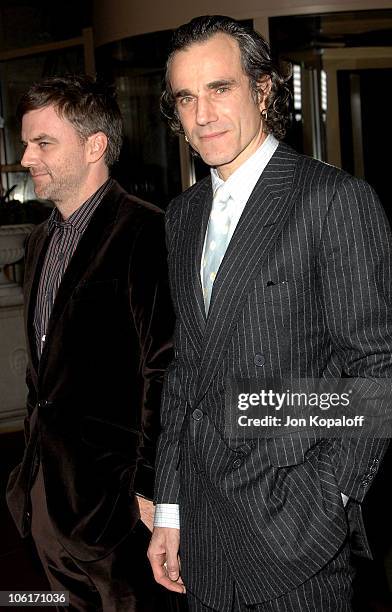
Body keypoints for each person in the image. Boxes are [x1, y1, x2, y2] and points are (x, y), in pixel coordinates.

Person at [148, 15, 392, 612]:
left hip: (294, 534)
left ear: (263, 90)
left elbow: (383, 373)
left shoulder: (333, 200)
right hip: (204, 526)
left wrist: (330, 497)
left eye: (220, 89)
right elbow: (186, 370)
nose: (202, 115)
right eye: (186, 98)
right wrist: (169, 507)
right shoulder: (182, 216)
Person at [6, 75, 176, 611]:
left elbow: (165, 370)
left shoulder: (147, 233)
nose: (26, 156)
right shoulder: (39, 241)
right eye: (26, 141)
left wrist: (150, 491)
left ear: (95, 145)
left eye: (43, 142)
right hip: (47, 499)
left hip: (118, 509)